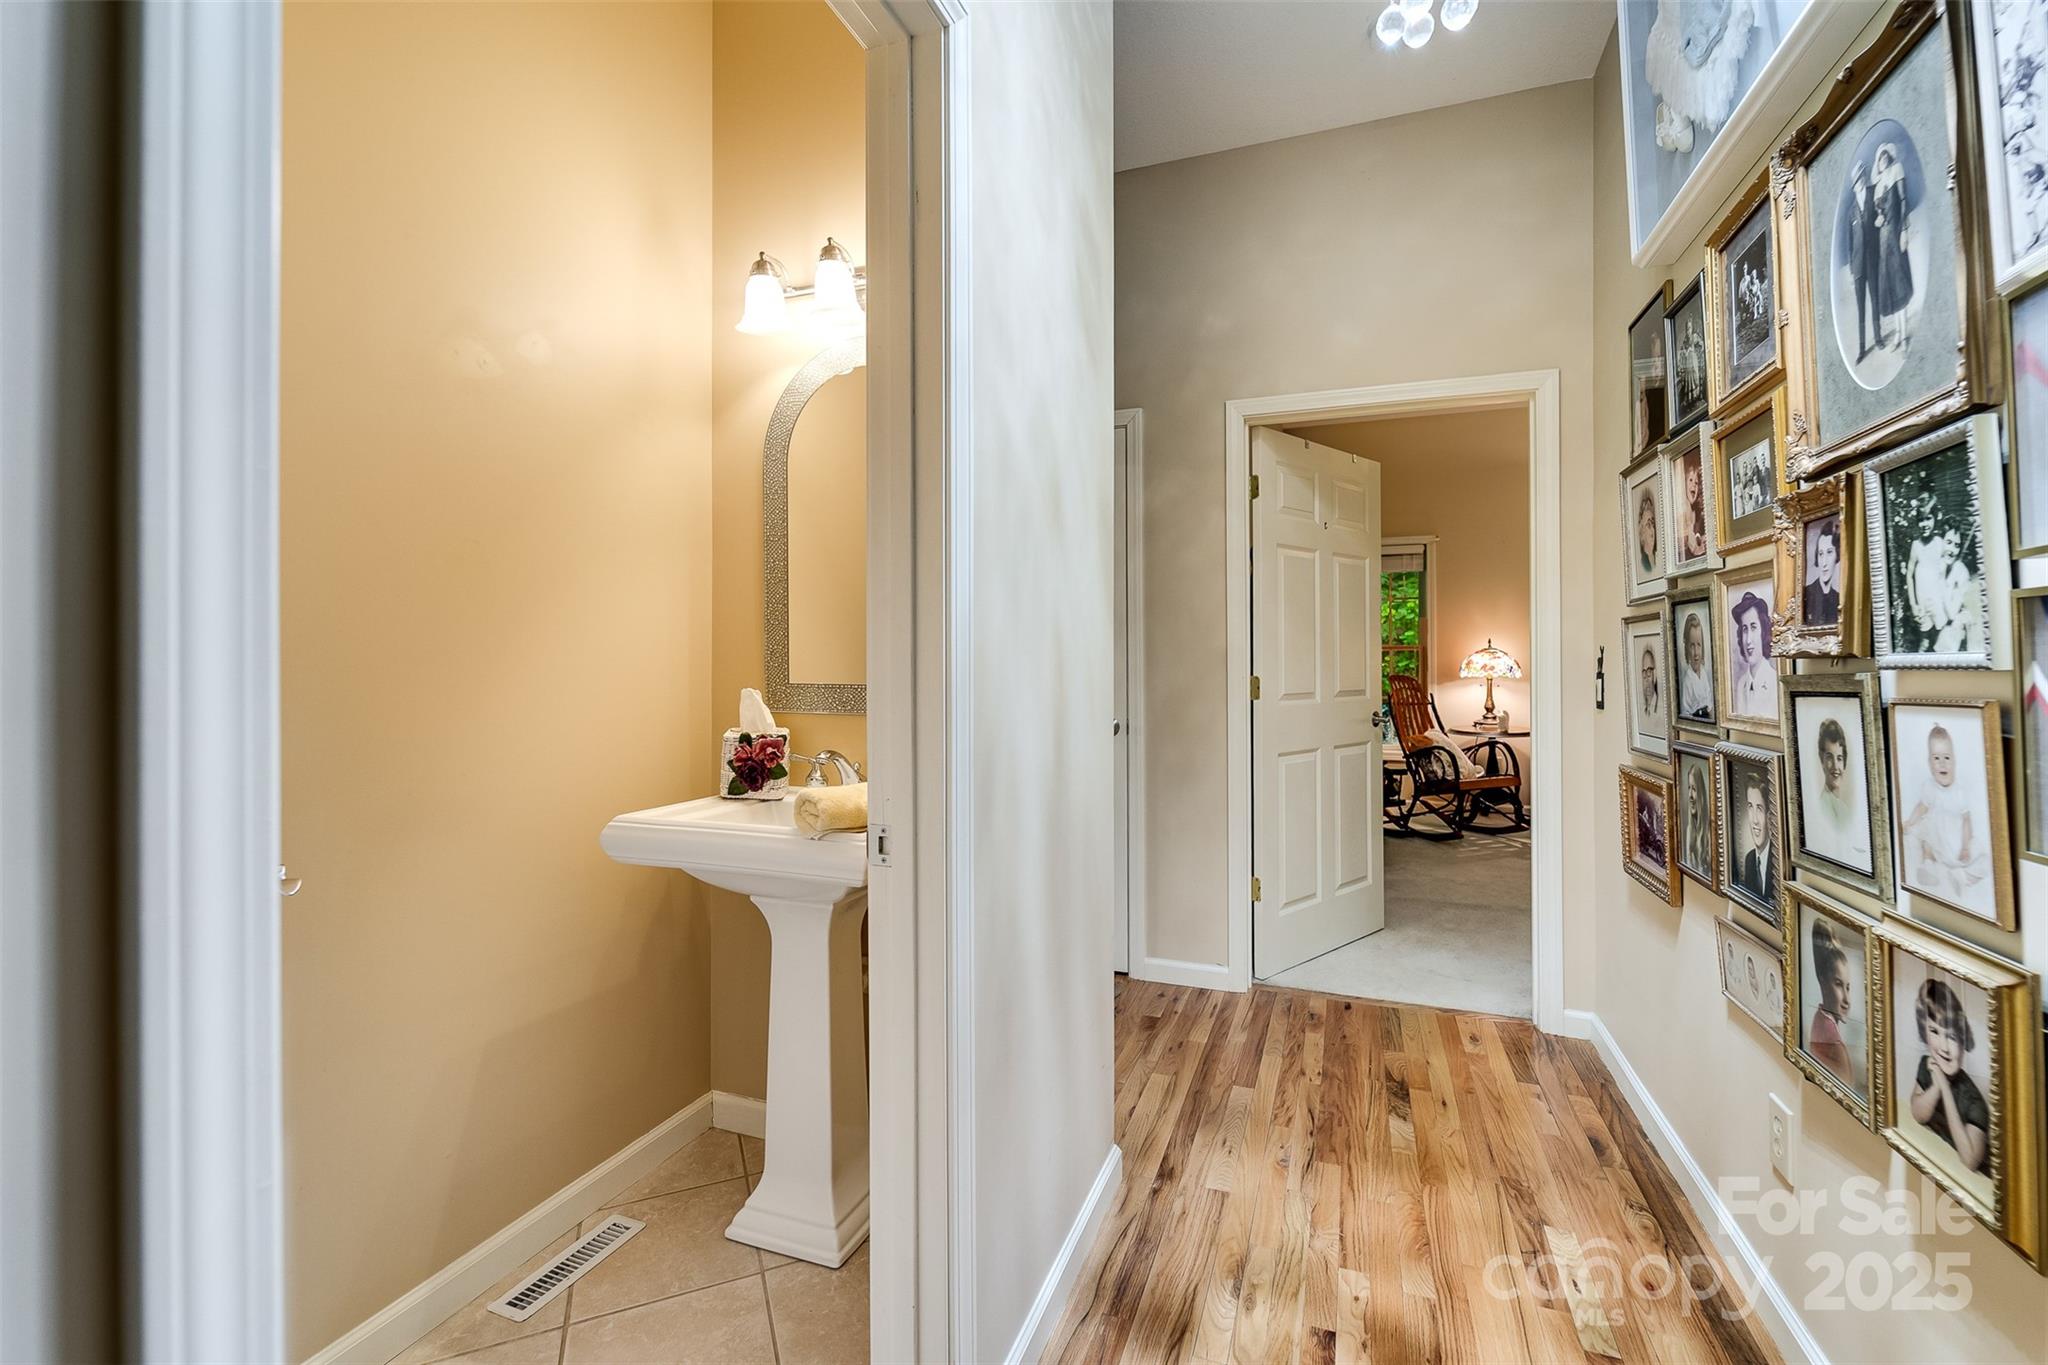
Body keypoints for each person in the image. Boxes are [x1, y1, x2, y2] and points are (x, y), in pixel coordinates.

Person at [1900, 723, 1991, 904]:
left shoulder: (1959, 791)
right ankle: (1928, 866)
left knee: (1984, 859)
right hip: (1938, 840)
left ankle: (1961, 876)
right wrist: (1910, 821)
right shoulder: (1929, 787)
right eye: (1936, 758)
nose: (1942, 763)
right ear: (1929, 763)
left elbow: (1966, 821)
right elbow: (1922, 807)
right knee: (1924, 829)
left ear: (1954, 762)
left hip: (1957, 842)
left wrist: (1965, 847)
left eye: (1947, 758)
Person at [1908, 977, 1989, 1175]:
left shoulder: (1974, 1102)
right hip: (1938, 1163)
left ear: (1963, 1041)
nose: (1943, 1047)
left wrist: (1944, 1087)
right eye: (1934, 1031)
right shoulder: (1927, 1066)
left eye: (1952, 1037)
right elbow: (1918, 1114)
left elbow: (1970, 1160)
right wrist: (1936, 1088)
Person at [1808, 716, 1869, 868]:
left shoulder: (1843, 809)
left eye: (1840, 758)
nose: (1836, 766)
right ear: (1821, 760)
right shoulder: (1821, 808)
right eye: (1829, 757)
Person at [1873, 143, 1914, 346]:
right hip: (1883, 239)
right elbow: (1879, 212)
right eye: (1880, 159)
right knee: (1890, 283)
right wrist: (1878, 219)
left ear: (1889, 158)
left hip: (1896, 232)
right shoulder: (1879, 183)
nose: (1883, 161)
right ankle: (1898, 333)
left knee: (1900, 282)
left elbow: (1904, 201)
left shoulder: (1897, 171)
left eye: (1885, 157)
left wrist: (1904, 230)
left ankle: (1905, 333)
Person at [1808, 919, 1857, 1086]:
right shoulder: (1829, 1033)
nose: (1846, 1000)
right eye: (1838, 984)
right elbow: (1847, 1085)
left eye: (1848, 987)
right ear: (1822, 981)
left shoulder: (1820, 1018)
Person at [1849, 161, 1886, 361]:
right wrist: (1851, 270)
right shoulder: (1851, 211)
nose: (1860, 182)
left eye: (1862, 177)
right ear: (1854, 185)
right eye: (1857, 180)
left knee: (1875, 300)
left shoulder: (1873, 193)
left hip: (1873, 258)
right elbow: (1849, 242)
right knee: (1860, 307)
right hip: (1858, 267)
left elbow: (1884, 208)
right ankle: (1862, 348)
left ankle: (1878, 338)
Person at [1729, 591, 1775, 716]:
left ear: (1764, 631)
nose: (1748, 640)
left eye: (1753, 627)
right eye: (1745, 629)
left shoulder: (1774, 682)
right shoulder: (1741, 684)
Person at [1734, 771, 1774, 904]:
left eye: (1760, 809)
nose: (1754, 820)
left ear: (1769, 816)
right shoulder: (1749, 860)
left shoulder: (1777, 862)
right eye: (1750, 807)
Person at [1804, 516, 1842, 625]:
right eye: (1821, 554)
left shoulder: (1838, 598)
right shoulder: (1807, 593)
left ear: (1837, 555)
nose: (1824, 562)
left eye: (1829, 552)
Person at [1677, 611, 1712, 720]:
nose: (1696, 653)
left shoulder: (1704, 673)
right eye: (1692, 646)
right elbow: (1686, 713)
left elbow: (1710, 704)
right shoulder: (1688, 680)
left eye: (1699, 645)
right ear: (1686, 647)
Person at [1679, 457, 1709, 561]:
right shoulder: (1684, 509)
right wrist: (1698, 547)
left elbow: (1694, 535)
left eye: (1696, 483)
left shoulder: (1693, 511)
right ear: (1683, 483)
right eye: (1690, 480)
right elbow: (1691, 545)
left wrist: (1701, 538)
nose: (1694, 485)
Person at [1684, 764, 1712, 873]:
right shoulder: (1689, 830)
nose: (1690, 795)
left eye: (1694, 789)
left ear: (1701, 794)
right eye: (1689, 788)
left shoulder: (1710, 831)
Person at [1636, 488, 1660, 578]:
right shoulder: (1644, 563)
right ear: (1642, 532)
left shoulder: (1657, 560)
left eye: (1653, 524)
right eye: (1648, 525)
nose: (1652, 530)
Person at [1638, 647, 1661, 722]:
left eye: (1649, 671)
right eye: (1644, 672)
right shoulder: (1643, 710)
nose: (1646, 679)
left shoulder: (1660, 707)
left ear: (1655, 674)